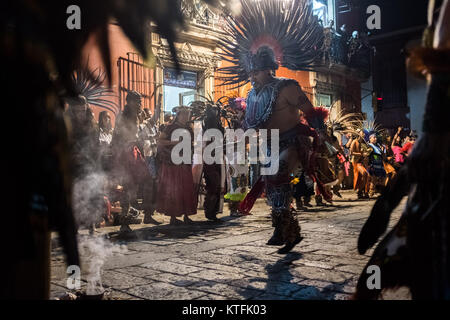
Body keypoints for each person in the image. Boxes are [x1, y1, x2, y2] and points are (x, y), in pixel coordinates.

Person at [218, 0, 327, 253]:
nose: (251, 77)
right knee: (272, 184)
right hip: (269, 144)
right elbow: (250, 123)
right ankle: (286, 231)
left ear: (267, 69)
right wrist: (235, 140)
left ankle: (284, 230)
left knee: (277, 174)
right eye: (251, 73)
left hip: (293, 141)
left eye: (255, 72)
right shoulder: (253, 95)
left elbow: (310, 111)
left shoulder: (287, 87)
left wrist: (321, 134)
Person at [111, 91, 147, 231]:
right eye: (137, 101)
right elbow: (122, 135)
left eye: (140, 101)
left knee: (134, 186)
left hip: (132, 151)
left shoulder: (135, 115)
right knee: (127, 186)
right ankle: (124, 222)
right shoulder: (124, 116)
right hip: (125, 153)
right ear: (130, 102)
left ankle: (127, 218)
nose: (140, 104)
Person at [156, 106, 197, 225]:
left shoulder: (189, 128)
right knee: (174, 189)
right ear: (178, 115)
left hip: (186, 161)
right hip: (172, 163)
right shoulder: (170, 127)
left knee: (186, 188)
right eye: (183, 114)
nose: (186, 116)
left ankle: (186, 215)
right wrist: (173, 143)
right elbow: (160, 141)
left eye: (187, 114)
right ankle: (173, 216)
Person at [350, 129, 370, 199]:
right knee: (364, 173)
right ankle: (360, 191)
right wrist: (361, 154)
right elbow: (351, 152)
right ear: (358, 134)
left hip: (362, 162)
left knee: (366, 175)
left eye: (364, 133)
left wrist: (366, 153)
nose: (364, 134)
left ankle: (362, 191)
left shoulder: (363, 142)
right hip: (356, 162)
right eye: (362, 133)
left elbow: (366, 151)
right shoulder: (354, 141)